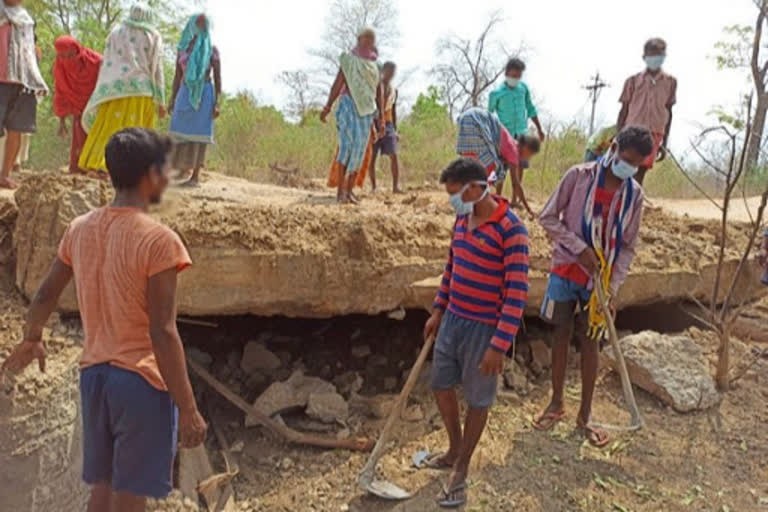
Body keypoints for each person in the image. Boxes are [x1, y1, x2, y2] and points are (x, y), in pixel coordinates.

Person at [1, 128, 207, 512]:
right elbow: (162, 332)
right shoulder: (160, 241)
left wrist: (33, 337)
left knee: (102, 488)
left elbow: (45, 294)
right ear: (150, 175)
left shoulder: (80, 229)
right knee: (130, 496)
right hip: (141, 382)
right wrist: (189, 409)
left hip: (94, 378)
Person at [534, 126, 653, 447]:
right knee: (560, 335)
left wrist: (612, 286)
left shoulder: (634, 196)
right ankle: (556, 403)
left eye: (637, 165)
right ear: (613, 147)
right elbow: (547, 218)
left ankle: (585, 415)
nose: (629, 168)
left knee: (591, 343)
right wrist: (579, 248)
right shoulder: (579, 176)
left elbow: (627, 247)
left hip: (600, 282)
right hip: (565, 271)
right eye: (626, 159)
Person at [423, 158, 528, 508]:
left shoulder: (512, 230)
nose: (452, 201)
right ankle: (454, 448)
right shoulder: (461, 219)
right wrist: (439, 309)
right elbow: (451, 267)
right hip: (453, 319)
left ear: (475, 188)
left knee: (478, 400)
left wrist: (499, 345)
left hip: (485, 329)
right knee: (440, 384)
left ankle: (463, 468)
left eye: (455, 194)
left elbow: (516, 294)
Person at [78, 3, 166, 175]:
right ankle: (133, 169)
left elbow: (107, 61)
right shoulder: (153, 35)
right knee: (136, 131)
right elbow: (157, 68)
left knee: (110, 127)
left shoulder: (116, 32)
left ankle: (99, 163)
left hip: (114, 89)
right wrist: (161, 101)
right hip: (141, 90)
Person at [320, 27, 383, 204]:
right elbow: (337, 84)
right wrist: (327, 107)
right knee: (346, 147)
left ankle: (349, 191)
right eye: (366, 38)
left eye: (372, 39)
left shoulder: (376, 66)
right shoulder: (349, 61)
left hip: (366, 112)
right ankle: (340, 192)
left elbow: (379, 91)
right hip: (348, 106)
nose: (369, 42)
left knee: (359, 151)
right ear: (359, 39)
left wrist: (381, 120)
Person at [168, 14, 221, 187]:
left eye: (203, 24)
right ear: (191, 25)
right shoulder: (182, 49)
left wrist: (217, 102)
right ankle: (179, 170)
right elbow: (177, 76)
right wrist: (172, 98)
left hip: (204, 93)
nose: (200, 26)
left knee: (200, 135)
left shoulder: (212, 50)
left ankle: (195, 176)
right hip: (184, 92)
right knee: (178, 130)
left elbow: (218, 78)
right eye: (197, 23)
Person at [456, 107, 540, 216]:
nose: (528, 158)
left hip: (467, 119)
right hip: (476, 121)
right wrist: (528, 209)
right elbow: (516, 184)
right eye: (530, 155)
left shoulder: (507, 144)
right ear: (526, 148)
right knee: (492, 169)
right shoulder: (513, 150)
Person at [0, 0, 48, 189]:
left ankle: (5, 176)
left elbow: (32, 49)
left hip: (23, 82)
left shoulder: (27, 20)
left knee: (17, 129)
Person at [617, 38, 677, 185]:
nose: (656, 58)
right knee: (624, 168)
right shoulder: (633, 81)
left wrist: (665, 141)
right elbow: (623, 110)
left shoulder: (670, 82)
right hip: (631, 132)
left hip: (654, 132)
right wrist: (619, 136)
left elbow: (668, 111)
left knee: (641, 171)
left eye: (659, 54)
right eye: (652, 54)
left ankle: (633, 202)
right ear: (644, 57)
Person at [53, 36, 102, 174]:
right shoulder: (60, 67)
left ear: (77, 49)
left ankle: (98, 168)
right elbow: (60, 91)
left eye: (70, 54)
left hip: (97, 106)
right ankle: (80, 168)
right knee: (80, 139)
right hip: (78, 110)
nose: (67, 59)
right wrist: (61, 120)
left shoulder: (96, 61)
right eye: (62, 56)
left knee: (99, 137)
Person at [488, 58, 545, 142]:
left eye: (519, 77)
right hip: (505, 137)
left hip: (522, 136)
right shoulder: (496, 93)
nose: (516, 79)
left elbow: (531, 109)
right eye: (514, 76)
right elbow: (488, 115)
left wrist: (539, 129)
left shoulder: (523, 88)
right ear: (507, 73)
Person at [369, 61, 401, 193]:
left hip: (388, 124)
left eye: (393, 72)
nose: (390, 74)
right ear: (383, 71)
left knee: (394, 155)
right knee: (372, 156)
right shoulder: (375, 87)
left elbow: (393, 110)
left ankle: (395, 187)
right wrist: (372, 125)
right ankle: (374, 187)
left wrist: (395, 129)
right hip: (374, 122)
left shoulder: (394, 91)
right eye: (388, 71)